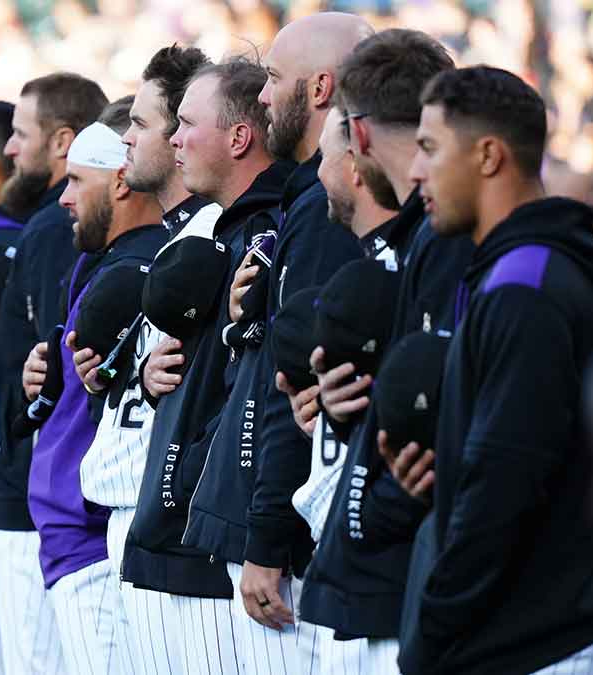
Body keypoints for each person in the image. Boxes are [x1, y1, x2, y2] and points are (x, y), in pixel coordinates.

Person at [390, 65, 593, 675]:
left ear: (489, 156)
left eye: (429, 148)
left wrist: (429, 635)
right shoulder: (520, 269)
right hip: (524, 632)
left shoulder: (527, 287)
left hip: (529, 646)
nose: (415, 172)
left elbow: (506, 487)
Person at [179, 21, 369, 670]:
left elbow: (292, 384)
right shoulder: (303, 202)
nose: (261, 100)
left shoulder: (326, 207)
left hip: (305, 550)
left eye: (275, 83)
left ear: (320, 87)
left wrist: (265, 536)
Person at [294, 29, 465, 675]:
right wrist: (335, 410)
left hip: (408, 576)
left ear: (358, 136)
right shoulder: (419, 240)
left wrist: (382, 510)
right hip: (369, 563)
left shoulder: (448, 240)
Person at [125, 56, 291, 672]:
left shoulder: (276, 228)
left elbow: (263, 394)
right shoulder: (224, 229)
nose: (172, 139)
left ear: (239, 137)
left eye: (185, 123)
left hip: (235, 543)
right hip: (196, 529)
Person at [74, 44, 219, 675]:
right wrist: (110, 376)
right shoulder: (172, 239)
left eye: (143, 122)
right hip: (133, 520)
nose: (126, 137)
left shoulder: (216, 233)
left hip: (172, 523)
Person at [0, 72, 108, 673]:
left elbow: (60, 374)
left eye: (21, 135)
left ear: (63, 141)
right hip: (38, 508)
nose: (11, 150)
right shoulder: (49, 225)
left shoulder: (57, 227)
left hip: (42, 514)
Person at [22, 101, 168, 675]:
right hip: (77, 532)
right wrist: (39, 379)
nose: (63, 196)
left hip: (93, 534)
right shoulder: (100, 264)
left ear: (122, 181)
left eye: (79, 180)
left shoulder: (143, 266)